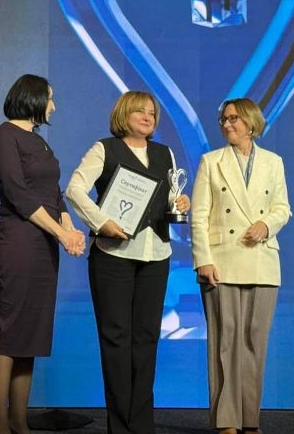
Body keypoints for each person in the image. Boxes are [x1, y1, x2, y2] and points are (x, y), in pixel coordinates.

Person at [65, 91, 190, 434]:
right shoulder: (104, 149)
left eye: (152, 113)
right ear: (124, 114)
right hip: (113, 257)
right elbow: (74, 189)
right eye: (140, 111)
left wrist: (180, 202)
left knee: (147, 340)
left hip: (156, 255)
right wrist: (100, 222)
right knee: (116, 341)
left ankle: (142, 425)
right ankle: (120, 427)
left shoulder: (164, 153)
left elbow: (167, 199)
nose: (148, 117)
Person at [0, 74, 85, 434]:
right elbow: (19, 194)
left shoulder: (39, 141)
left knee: (31, 334)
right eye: (50, 98)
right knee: (11, 331)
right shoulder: (3, 136)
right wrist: (62, 233)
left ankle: (19, 423)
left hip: (44, 245)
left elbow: (53, 193)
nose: (53, 106)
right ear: (33, 98)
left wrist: (70, 229)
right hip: (18, 242)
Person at [190, 98, 291, 434]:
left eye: (233, 118)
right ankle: (226, 421)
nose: (226, 124)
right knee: (225, 342)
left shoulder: (273, 162)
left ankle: (250, 420)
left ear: (251, 123)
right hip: (222, 261)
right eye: (223, 119)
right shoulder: (211, 161)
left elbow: (282, 208)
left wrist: (267, 225)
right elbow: (199, 215)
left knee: (255, 344)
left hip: (262, 260)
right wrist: (203, 259)